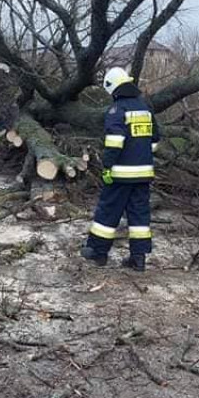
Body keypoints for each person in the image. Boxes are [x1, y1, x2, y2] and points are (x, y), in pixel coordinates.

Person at [81, 67, 160, 272]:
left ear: (114, 89)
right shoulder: (145, 108)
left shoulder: (117, 110)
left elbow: (115, 142)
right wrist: (142, 157)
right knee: (139, 216)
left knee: (108, 212)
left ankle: (98, 252)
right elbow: (155, 141)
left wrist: (107, 167)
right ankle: (138, 258)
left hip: (121, 174)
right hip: (144, 174)